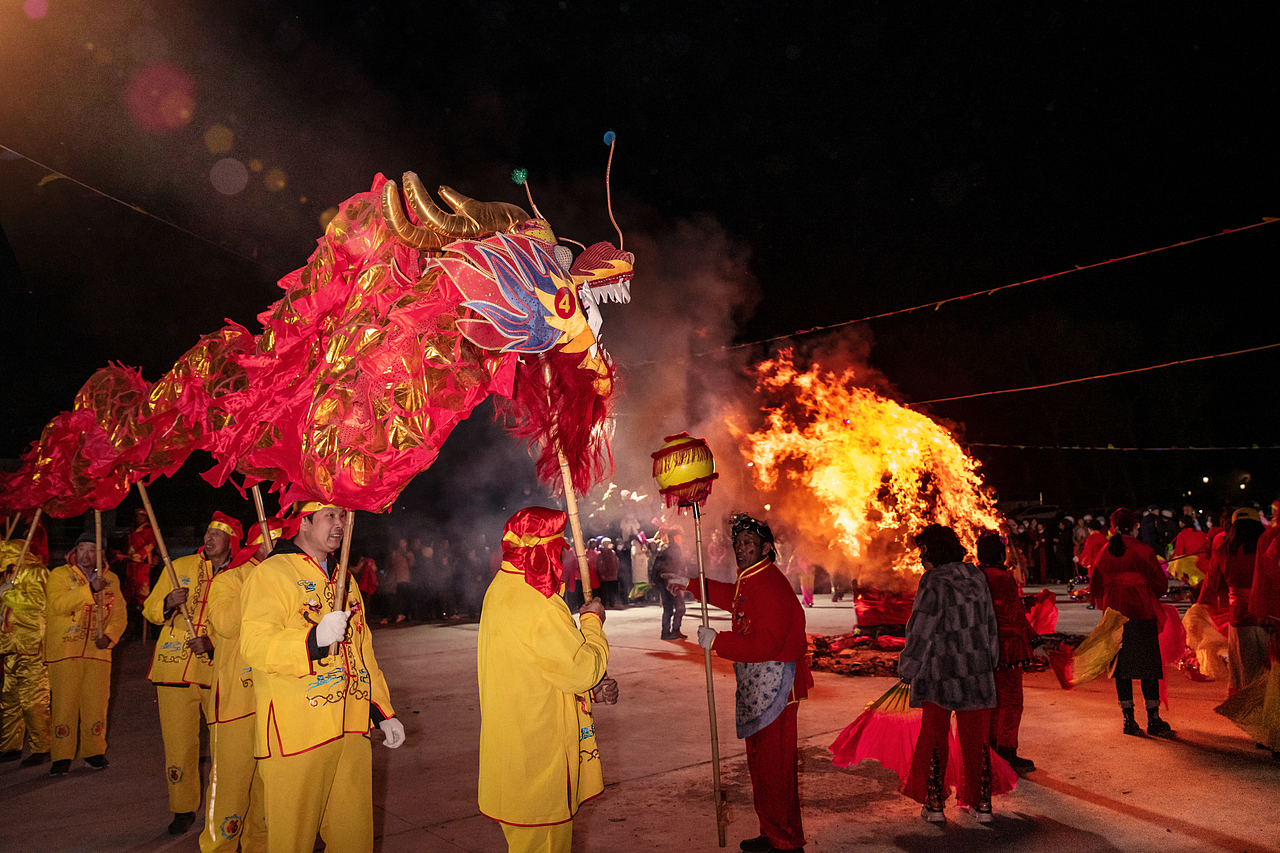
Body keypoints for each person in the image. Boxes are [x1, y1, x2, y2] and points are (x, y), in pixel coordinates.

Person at [240, 502, 404, 853]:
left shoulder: (344, 578)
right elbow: (254, 644)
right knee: (292, 842)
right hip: (297, 735)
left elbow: (362, 650)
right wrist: (312, 640)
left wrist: (382, 711)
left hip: (350, 727)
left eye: (343, 515)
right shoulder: (272, 573)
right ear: (304, 522)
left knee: (353, 838)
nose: (340, 523)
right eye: (330, 515)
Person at [667, 512, 810, 853]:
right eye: (738, 543)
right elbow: (734, 597)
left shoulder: (770, 585)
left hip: (776, 688)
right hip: (758, 686)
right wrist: (691, 584)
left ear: (766, 548)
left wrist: (719, 641)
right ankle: (771, 831)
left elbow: (766, 645)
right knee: (760, 766)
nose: (741, 548)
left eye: (749, 543)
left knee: (775, 769)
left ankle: (787, 842)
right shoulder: (752, 577)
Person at [477, 506, 617, 853]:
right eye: (556, 549)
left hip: (510, 756)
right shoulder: (541, 605)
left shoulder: (499, 588)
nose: (560, 559)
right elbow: (581, 670)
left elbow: (534, 669)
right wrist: (592, 623)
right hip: (539, 762)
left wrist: (591, 693)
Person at [143, 511, 241, 835]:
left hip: (218, 672)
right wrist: (168, 602)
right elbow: (150, 609)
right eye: (208, 532)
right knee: (178, 745)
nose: (209, 538)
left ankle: (223, 808)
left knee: (225, 747)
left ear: (232, 541)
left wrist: (212, 643)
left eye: (217, 534)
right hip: (173, 668)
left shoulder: (243, 574)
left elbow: (247, 624)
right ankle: (182, 807)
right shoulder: (179, 567)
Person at [899, 524, 999, 823]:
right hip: (976, 669)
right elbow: (989, 622)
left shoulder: (934, 581)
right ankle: (982, 804)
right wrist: (989, 660)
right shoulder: (976, 575)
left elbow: (921, 628)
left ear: (932, 550)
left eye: (922, 550)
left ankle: (934, 805)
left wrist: (908, 666)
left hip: (940, 671)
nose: (920, 557)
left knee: (934, 737)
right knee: (976, 740)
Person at [198, 520, 283, 853]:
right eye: (271, 541)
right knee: (229, 788)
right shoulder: (229, 579)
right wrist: (258, 584)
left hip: (273, 702)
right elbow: (225, 625)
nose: (278, 547)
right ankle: (217, 848)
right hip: (235, 703)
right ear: (253, 546)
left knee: (265, 789)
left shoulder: (287, 579)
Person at [44, 530, 127, 774]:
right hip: (65, 650)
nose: (85, 555)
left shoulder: (111, 579)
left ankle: (94, 751)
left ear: (101, 554)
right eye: (82, 549)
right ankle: (61, 756)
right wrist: (89, 590)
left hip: (97, 653)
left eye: (92, 550)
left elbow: (119, 614)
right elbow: (57, 604)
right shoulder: (60, 574)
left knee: (96, 703)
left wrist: (109, 636)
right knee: (64, 704)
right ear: (74, 550)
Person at [1090, 507, 1174, 738]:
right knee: (1148, 667)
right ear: (1135, 527)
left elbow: (1095, 586)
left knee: (1122, 669)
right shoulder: (1144, 550)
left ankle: (1129, 720)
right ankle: (1153, 718)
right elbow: (1161, 585)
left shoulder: (1104, 552)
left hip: (1115, 616)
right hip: (1142, 612)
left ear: (1113, 528)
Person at [975, 533, 1039, 774]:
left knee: (990, 700)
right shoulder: (1003, 578)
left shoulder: (975, 576)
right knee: (1011, 701)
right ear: (1000, 554)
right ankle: (1007, 751)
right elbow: (1014, 616)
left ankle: (991, 749)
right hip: (1007, 647)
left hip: (982, 645)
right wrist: (1035, 640)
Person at [1201, 508, 1268, 694]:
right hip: (1270, 614)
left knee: (1244, 669)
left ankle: (1246, 705)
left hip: (1240, 617)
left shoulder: (1222, 553)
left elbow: (1215, 585)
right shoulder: (1268, 550)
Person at [0, 526, 52, 765]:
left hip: (33, 646)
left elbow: (40, 602)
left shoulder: (36, 571)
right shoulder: (8, 573)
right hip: (10, 645)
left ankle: (42, 747)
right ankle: (10, 746)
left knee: (34, 700)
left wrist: (7, 594)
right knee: (9, 699)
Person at [652, 530, 687, 640]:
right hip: (667, 583)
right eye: (679, 537)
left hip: (672, 582)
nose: (681, 540)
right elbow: (659, 566)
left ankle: (673, 631)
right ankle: (667, 632)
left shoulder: (674, 549)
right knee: (672, 608)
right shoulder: (668, 550)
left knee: (677, 607)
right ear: (674, 538)